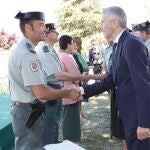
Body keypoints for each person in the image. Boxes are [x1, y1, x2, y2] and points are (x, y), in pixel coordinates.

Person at [78, 6, 150, 150]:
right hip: (128, 116)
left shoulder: (131, 43)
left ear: (115, 23)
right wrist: (81, 91)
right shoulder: (120, 44)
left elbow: (144, 85)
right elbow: (111, 79)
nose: (101, 26)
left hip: (137, 120)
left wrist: (144, 123)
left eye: (103, 22)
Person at [8, 11, 80, 150]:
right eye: (41, 25)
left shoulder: (27, 50)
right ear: (29, 28)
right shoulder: (27, 54)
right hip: (27, 112)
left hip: (29, 110)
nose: (45, 29)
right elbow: (41, 92)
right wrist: (67, 93)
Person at [36, 23, 90, 145]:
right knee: (50, 127)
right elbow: (58, 74)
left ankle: (53, 146)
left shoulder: (51, 50)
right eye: (55, 32)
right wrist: (86, 77)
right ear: (47, 34)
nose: (58, 34)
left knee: (55, 125)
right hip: (51, 89)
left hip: (56, 90)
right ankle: (50, 147)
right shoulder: (45, 50)